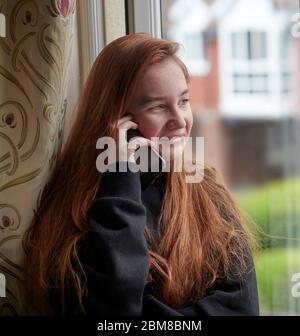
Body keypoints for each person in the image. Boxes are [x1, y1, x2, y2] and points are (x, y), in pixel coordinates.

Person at [22, 33, 260, 316]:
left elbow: (242, 309)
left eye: (183, 101)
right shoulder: (80, 207)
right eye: (158, 107)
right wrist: (121, 179)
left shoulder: (205, 186)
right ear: (118, 123)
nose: (180, 121)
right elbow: (114, 309)